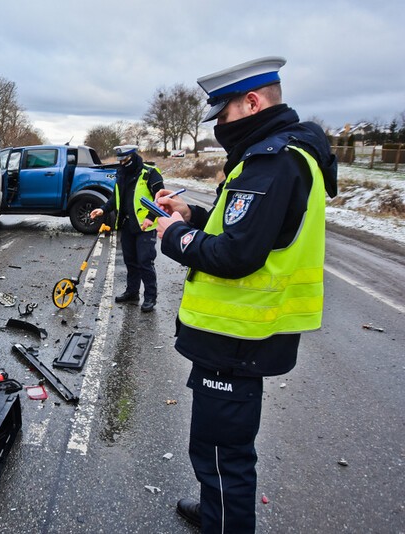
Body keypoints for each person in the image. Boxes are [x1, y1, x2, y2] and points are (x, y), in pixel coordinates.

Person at [153, 56, 337, 532]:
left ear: (252, 102)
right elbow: (242, 225)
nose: (221, 129)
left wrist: (173, 235)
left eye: (225, 116)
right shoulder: (277, 155)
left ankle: (225, 520)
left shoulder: (271, 162)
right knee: (220, 446)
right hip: (240, 335)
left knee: (222, 451)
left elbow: (236, 254)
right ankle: (217, 511)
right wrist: (191, 215)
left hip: (238, 336)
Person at [90, 146, 164, 311]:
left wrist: (150, 217)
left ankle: (150, 297)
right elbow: (116, 197)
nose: (122, 163)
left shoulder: (150, 173)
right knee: (130, 261)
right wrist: (103, 209)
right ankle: (132, 292)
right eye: (120, 160)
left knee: (145, 261)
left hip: (145, 226)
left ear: (132, 156)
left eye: (125, 160)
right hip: (127, 224)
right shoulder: (121, 173)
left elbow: (161, 199)